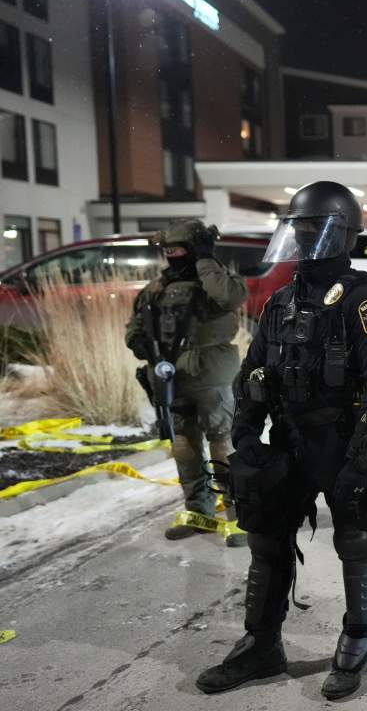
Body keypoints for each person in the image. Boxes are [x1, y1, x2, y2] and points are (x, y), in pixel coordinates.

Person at [195, 181, 367, 700]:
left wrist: (360, 464)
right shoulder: (280, 302)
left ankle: (358, 638)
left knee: (355, 538)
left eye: (315, 230)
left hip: (342, 444)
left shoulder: (363, 302)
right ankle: (262, 643)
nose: (305, 240)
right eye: (300, 230)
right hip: (286, 440)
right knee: (266, 538)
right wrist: (245, 433)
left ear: (341, 236)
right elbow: (252, 373)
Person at [125, 219, 248, 546]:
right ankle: (199, 512)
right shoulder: (156, 289)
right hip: (171, 379)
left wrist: (206, 261)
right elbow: (134, 327)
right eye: (168, 251)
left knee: (222, 444)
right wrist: (139, 343)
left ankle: (239, 517)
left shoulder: (219, 280)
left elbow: (229, 297)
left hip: (211, 375)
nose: (172, 256)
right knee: (183, 444)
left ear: (194, 250)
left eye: (178, 250)